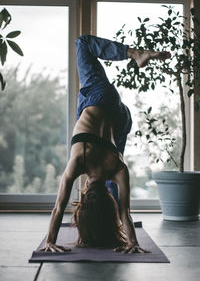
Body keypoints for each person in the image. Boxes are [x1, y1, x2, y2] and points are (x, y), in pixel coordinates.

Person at [39, 35, 171, 253]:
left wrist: (133, 243)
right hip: (100, 98)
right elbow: (59, 206)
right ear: (84, 196)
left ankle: (105, 230)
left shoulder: (118, 167)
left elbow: (125, 212)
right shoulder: (78, 161)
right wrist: (49, 241)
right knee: (83, 43)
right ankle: (135, 53)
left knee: (114, 183)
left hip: (121, 121)